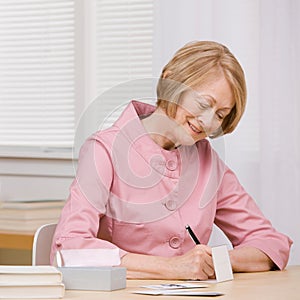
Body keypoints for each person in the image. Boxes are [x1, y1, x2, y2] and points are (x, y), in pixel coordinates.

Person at [50, 41, 292, 280]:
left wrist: (213, 261)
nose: (208, 122)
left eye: (220, 115)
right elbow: (70, 248)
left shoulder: (207, 161)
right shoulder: (104, 150)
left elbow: (271, 243)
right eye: (203, 104)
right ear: (170, 81)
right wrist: (172, 267)